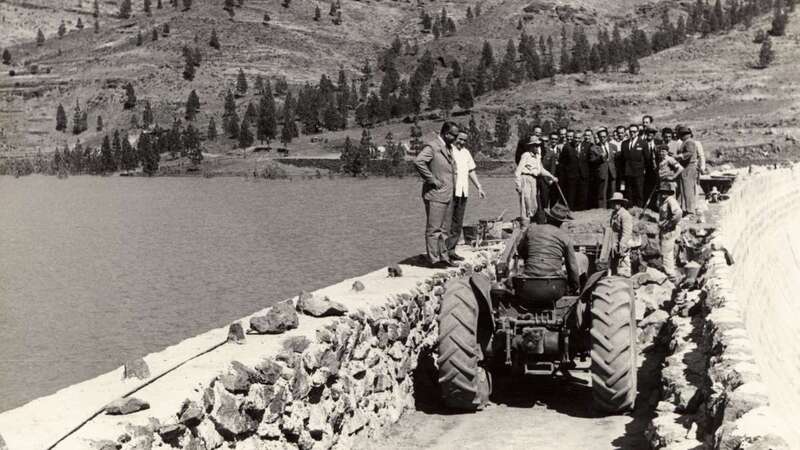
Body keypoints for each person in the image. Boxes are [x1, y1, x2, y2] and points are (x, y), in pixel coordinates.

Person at [414, 121, 459, 267]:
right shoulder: (433, 146)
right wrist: (431, 179)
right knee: (434, 229)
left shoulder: (448, 148)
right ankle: (434, 259)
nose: (456, 138)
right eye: (454, 135)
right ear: (446, 133)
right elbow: (419, 161)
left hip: (447, 194)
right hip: (435, 194)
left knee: (444, 229)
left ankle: (444, 257)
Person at [516, 203, 582, 294]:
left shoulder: (531, 229)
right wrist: (575, 286)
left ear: (547, 217)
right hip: (554, 288)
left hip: (528, 285)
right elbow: (572, 266)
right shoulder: (565, 237)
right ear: (561, 222)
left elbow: (521, 251)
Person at [447, 132, 486, 260]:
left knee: (458, 221)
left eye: (464, 140)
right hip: (451, 190)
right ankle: (443, 251)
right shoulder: (448, 151)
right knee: (448, 222)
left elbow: (471, 171)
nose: (462, 142)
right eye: (460, 139)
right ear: (454, 138)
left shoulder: (466, 152)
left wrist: (479, 187)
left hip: (463, 191)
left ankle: (451, 250)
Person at [515, 136, 556, 225]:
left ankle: (531, 221)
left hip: (533, 180)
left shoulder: (538, 157)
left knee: (534, 203)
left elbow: (541, 170)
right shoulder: (526, 155)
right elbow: (518, 171)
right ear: (531, 147)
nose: (538, 147)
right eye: (536, 146)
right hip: (525, 178)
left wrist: (552, 177)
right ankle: (525, 224)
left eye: (539, 145)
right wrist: (518, 185)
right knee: (525, 200)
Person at [557, 129, 588, 211]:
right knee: (571, 196)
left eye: (579, 138)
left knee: (582, 195)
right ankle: (570, 212)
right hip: (571, 176)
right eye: (575, 138)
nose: (577, 140)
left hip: (583, 176)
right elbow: (562, 163)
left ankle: (581, 213)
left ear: (581, 138)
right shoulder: (567, 147)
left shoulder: (586, 146)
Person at [619, 123, 649, 207]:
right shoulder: (624, 143)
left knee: (639, 192)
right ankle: (630, 208)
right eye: (631, 131)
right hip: (628, 172)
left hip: (639, 172)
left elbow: (647, 159)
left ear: (638, 132)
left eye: (634, 131)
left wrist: (644, 169)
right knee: (629, 191)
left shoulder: (643, 143)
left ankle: (639, 209)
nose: (632, 133)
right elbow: (622, 159)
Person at [657, 183, 683, 280]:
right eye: (661, 192)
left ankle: (670, 275)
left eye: (665, 192)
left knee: (666, 252)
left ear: (668, 193)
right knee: (668, 253)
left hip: (669, 230)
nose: (663, 194)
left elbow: (678, 213)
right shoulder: (664, 201)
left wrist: (670, 224)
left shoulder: (671, 201)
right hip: (665, 230)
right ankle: (670, 272)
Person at [674, 125, 700, 216]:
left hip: (689, 167)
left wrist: (679, 156)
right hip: (686, 167)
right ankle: (687, 209)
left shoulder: (689, 142)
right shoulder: (686, 142)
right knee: (685, 189)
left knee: (688, 190)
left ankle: (690, 211)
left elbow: (689, 153)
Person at [590, 128, 617, 209]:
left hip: (612, 172)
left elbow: (616, 160)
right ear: (598, 137)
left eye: (604, 136)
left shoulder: (613, 146)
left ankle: (613, 208)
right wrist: (600, 158)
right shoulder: (594, 148)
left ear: (607, 136)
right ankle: (602, 210)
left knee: (612, 191)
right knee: (602, 193)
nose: (602, 138)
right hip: (602, 172)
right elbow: (591, 161)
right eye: (601, 137)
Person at [609, 192, 633, 277]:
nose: (616, 204)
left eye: (618, 202)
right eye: (614, 202)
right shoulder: (613, 214)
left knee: (624, 264)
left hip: (624, 243)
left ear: (621, 203)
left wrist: (622, 245)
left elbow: (627, 233)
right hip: (616, 242)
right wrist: (613, 243)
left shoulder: (625, 215)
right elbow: (613, 230)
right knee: (614, 266)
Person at [642, 127, 660, 208]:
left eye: (652, 134)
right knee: (646, 187)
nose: (650, 135)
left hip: (656, 169)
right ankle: (646, 205)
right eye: (648, 134)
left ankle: (654, 205)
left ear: (654, 135)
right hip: (645, 169)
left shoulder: (658, 143)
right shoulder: (642, 143)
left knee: (655, 187)